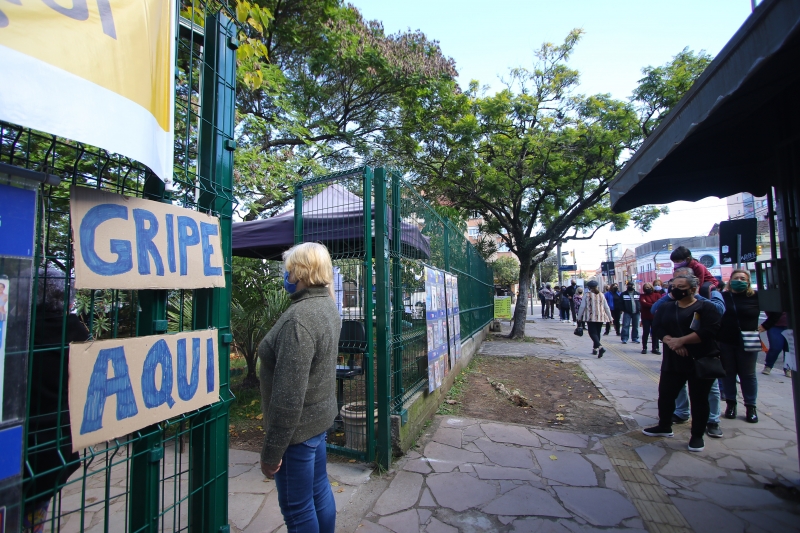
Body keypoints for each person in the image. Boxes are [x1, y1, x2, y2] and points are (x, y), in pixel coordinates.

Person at [258, 242, 341, 532]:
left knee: (298, 508)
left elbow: (287, 396)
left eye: (288, 269)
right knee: (319, 492)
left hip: (297, 432)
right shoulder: (327, 306)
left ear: (301, 272)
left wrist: (271, 454)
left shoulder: (299, 319)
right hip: (317, 423)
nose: (285, 274)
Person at [25, 266, 89, 532]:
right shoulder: (77, 333)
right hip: (60, 440)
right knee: (32, 511)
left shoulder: (19, 333)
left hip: (22, 439)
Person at [644, 273, 722, 453]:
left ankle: (697, 435)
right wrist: (671, 341)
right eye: (673, 286)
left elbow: (710, 330)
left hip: (699, 360)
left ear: (693, 289)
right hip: (674, 359)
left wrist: (683, 341)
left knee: (699, 399)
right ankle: (664, 426)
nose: (675, 289)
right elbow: (657, 327)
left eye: (681, 287)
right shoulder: (667, 308)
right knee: (666, 394)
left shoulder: (706, 307)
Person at [718, 269, 761, 423]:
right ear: (730, 280)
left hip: (749, 338)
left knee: (748, 375)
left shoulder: (755, 297)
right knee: (728, 373)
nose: (740, 280)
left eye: (743, 278)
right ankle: (731, 404)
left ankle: (751, 406)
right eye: (736, 278)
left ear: (748, 281)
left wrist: (764, 327)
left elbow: (775, 312)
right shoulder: (724, 296)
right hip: (726, 339)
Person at [576, 280, 612, 358]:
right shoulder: (602, 295)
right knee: (597, 333)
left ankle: (600, 347)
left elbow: (582, 306)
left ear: (589, 288)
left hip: (590, 317)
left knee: (592, 333)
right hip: (601, 316)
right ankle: (595, 349)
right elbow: (606, 307)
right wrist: (610, 317)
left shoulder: (587, 295)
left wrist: (579, 317)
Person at [760, 312, 791, 377]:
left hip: (791, 324)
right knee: (776, 347)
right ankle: (768, 366)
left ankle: (788, 368)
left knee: (789, 348)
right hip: (775, 324)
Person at [640, 282, 661, 355]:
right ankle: (644, 347)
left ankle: (655, 348)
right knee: (646, 332)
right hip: (645, 316)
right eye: (646, 288)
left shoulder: (657, 295)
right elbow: (643, 303)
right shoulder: (642, 296)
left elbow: (659, 303)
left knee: (655, 332)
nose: (647, 289)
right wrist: (654, 305)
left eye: (649, 287)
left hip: (654, 316)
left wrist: (650, 304)